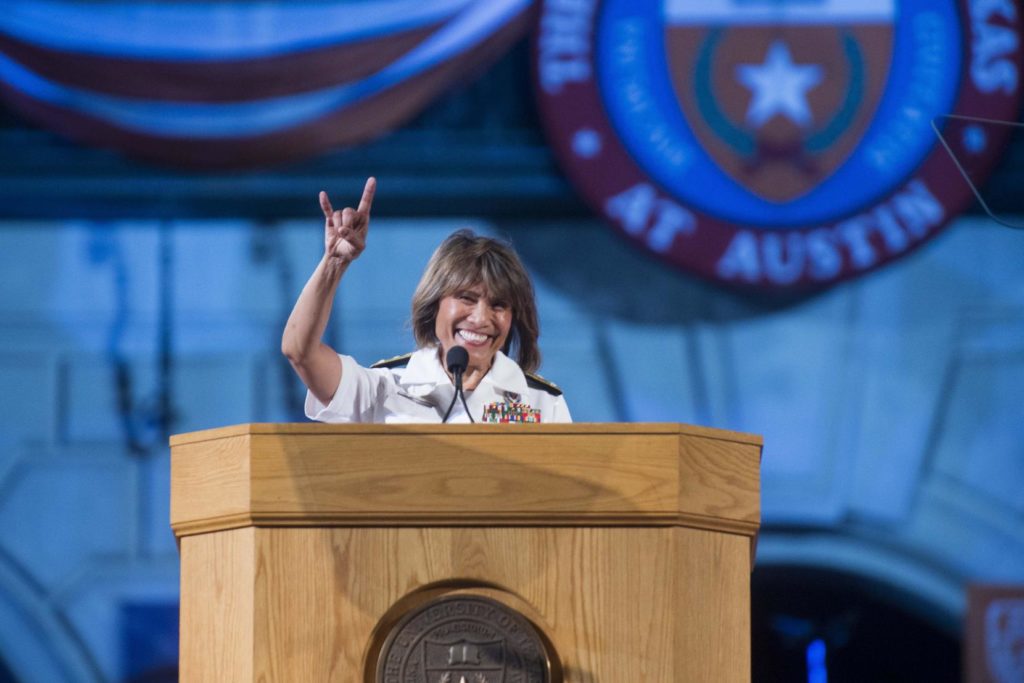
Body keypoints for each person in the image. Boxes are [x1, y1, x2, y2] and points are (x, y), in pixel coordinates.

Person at [281, 177, 571, 424]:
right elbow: (299, 351)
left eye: (498, 305)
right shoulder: (384, 389)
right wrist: (334, 263)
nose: (482, 319)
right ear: (434, 304)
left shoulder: (542, 402)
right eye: (467, 299)